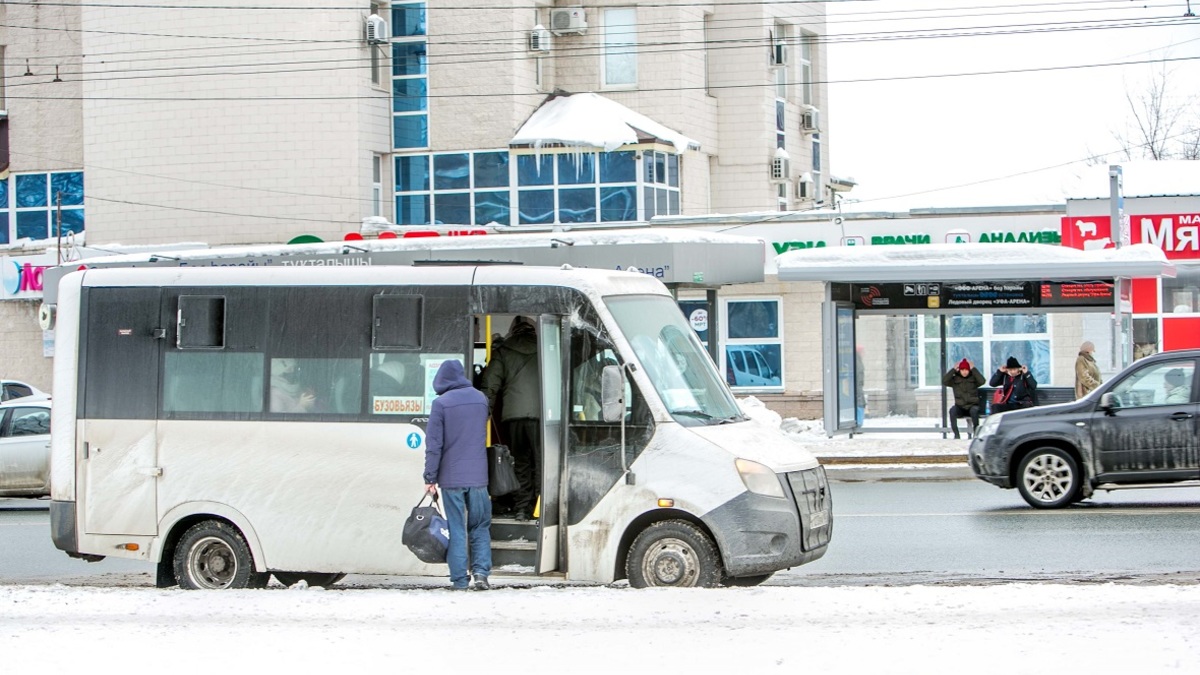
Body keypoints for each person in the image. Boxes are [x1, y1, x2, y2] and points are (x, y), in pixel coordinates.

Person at [422, 359, 492, 591]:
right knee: (480, 525)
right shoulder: (481, 399)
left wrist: (429, 477)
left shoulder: (441, 404)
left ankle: (460, 580)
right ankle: (481, 574)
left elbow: (434, 445)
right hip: (479, 478)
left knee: (456, 528)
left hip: (452, 478)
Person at [481, 315, 541, 521]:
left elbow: (490, 385)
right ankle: (541, 507)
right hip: (543, 417)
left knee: (520, 463)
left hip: (513, 417)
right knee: (543, 462)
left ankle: (522, 509)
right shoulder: (548, 349)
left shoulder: (503, 352)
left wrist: (483, 415)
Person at [942, 358, 986, 439]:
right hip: (960, 406)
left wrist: (974, 369)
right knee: (952, 411)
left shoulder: (973, 378)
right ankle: (956, 434)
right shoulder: (955, 379)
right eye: (962, 370)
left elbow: (982, 381)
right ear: (959, 370)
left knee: (974, 411)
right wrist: (953, 370)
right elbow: (944, 381)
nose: (964, 372)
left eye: (966, 370)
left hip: (972, 405)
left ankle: (976, 433)